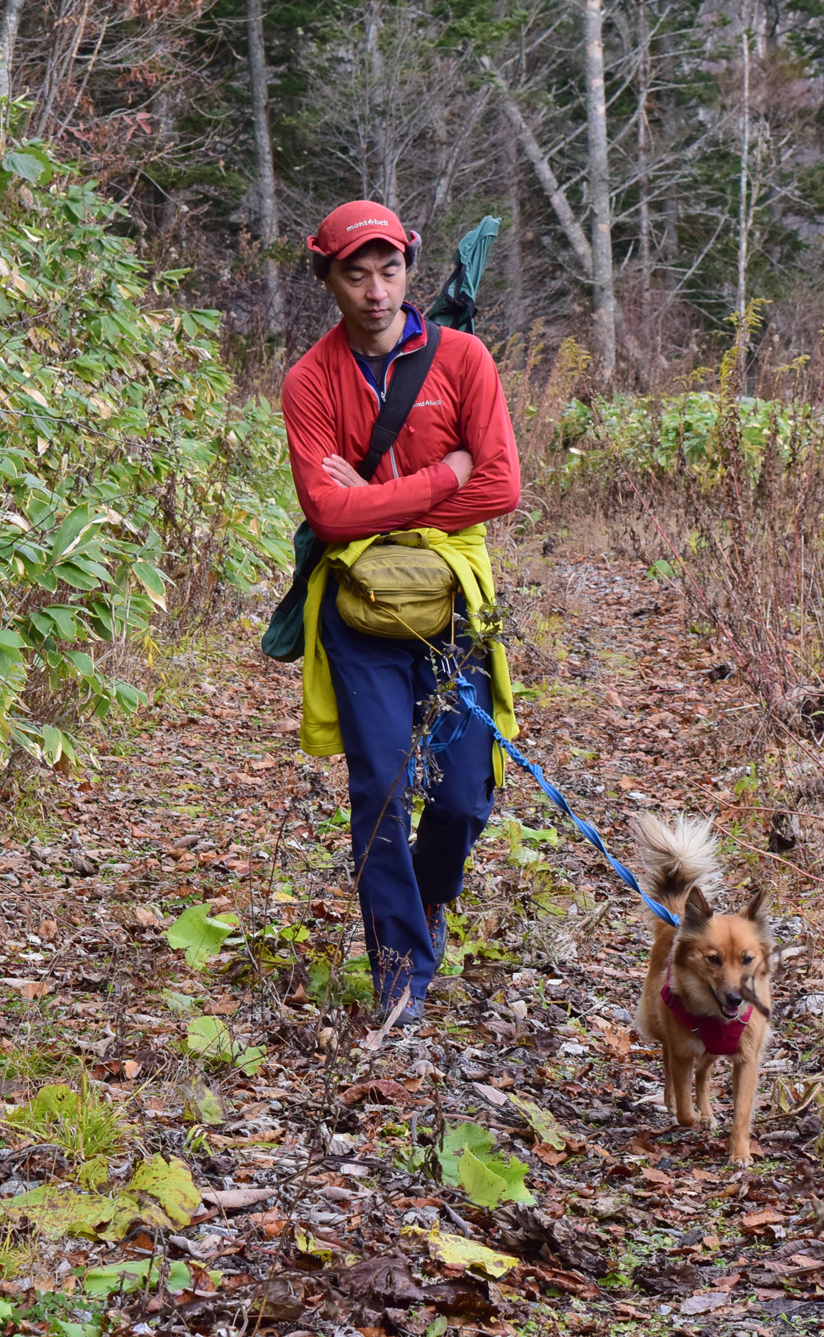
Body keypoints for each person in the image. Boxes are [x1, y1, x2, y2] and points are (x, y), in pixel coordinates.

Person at [284, 201, 523, 1027]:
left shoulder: (463, 360)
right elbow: (326, 515)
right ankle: (399, 972)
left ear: (409, 270)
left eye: (390, 271)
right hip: (358, 611)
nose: (376, 290)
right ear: (329, 279)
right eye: (356, 274)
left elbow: (503, 487)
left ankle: (425, 902)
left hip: (454, 607)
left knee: (462, 797)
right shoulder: (309, 382)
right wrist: (439, 480)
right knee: (381, 789)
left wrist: (377, 501)